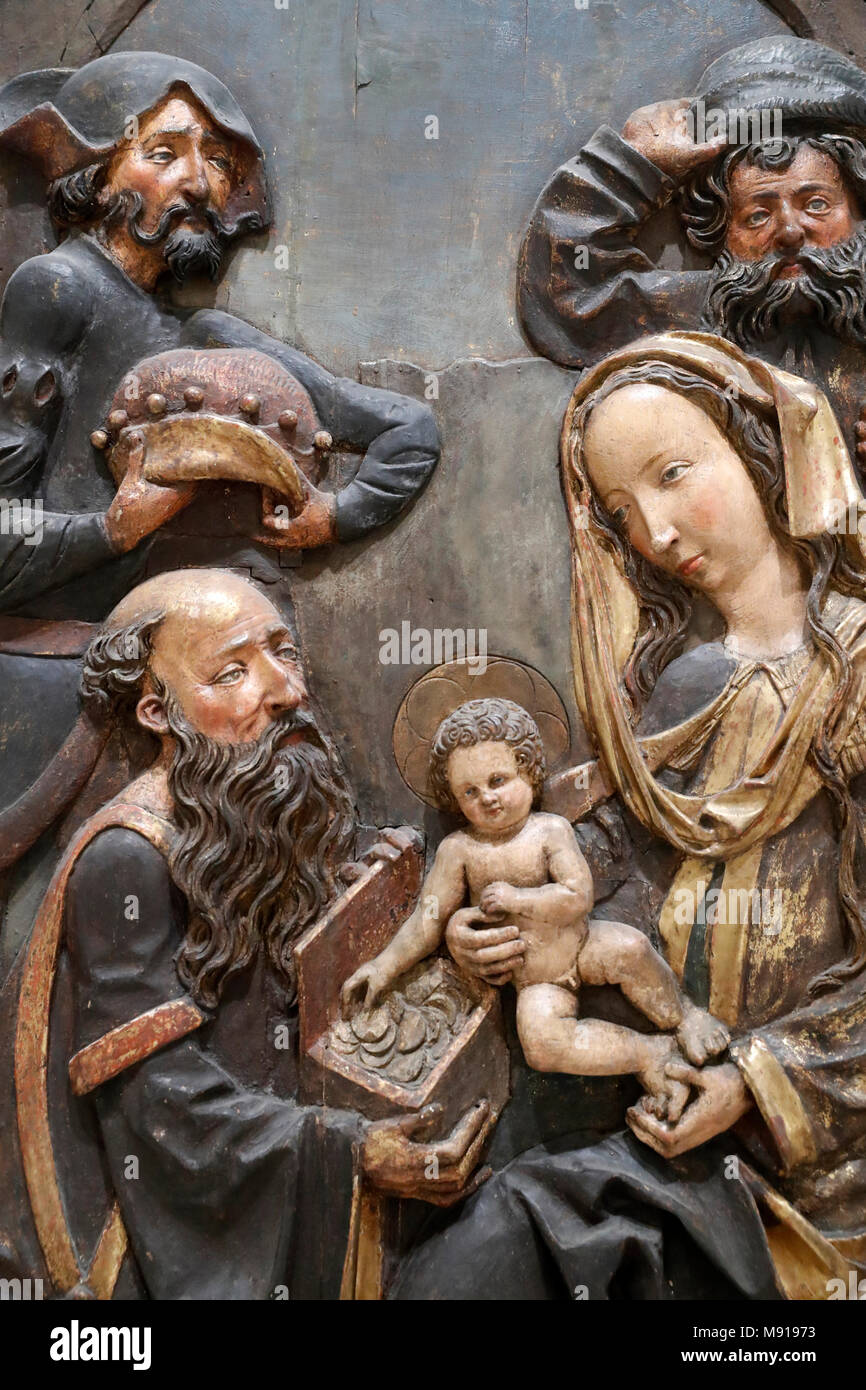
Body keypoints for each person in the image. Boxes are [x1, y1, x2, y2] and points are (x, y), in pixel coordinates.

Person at [392, 332, 866, 1300]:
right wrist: (508, 922)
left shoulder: (856, 677)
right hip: (666, 1118)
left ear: (761, 453)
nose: (652, 531)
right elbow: (613, 864)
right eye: (618, 510)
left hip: (819, 1154)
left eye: (672, 473)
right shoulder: (685, 683)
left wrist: (757, 1080)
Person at [0, 569, 488, 1299]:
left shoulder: (263, 800)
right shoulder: (128, 858)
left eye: (282, 653)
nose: (287, 690)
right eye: (232, 672)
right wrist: (352, 1154)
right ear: (158, 714)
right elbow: (158, 1105)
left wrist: (446, 925)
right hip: (221, 1231)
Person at [343, 696, 728, 1114]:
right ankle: (647, 1052)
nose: (486, 798)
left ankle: (686, 1017)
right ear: (455, 799)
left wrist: (518, 899)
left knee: (632, 948)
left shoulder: (549, 831)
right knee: (541, 1045)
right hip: (537, 980)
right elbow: (427, 919)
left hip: (582, 946)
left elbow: (578, 896)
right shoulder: (460, 850)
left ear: (528, 772)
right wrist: (382, 967)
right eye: (469, 791)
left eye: (498, 780)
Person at [519, 36, 866, 464]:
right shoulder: (711, 313)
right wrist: (631, 167)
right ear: (721, 232)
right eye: (758, 215)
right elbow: (574, 296)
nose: (791, 232)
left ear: (858, 210)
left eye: (816, 205)